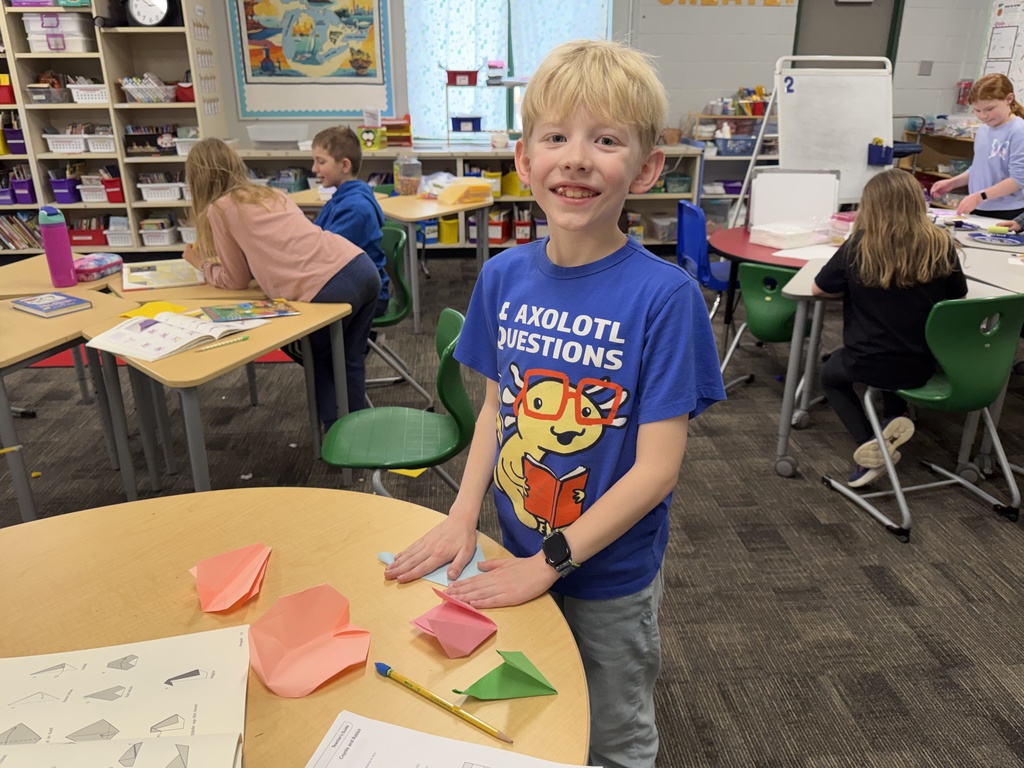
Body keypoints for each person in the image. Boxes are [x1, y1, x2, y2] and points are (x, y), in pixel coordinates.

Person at [382, 40, 725, 768]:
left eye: (606, 140)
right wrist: (462, 515)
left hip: (606, 572)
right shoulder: (504, 278)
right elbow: (495, 411)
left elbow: (656, 471)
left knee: (613, 730)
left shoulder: (665, 299)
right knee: (527, 699)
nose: (576, 159)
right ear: (525, 161)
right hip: (513, 550)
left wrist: (553, 561)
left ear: (647, 166)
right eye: (556, 138)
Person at [182, 137, 380, 427]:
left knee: (320, 359)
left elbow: (236, 280)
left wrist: (201, 264)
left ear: (198, 179)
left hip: (328, 285)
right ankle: (358, 434)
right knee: (349, 360)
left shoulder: (220, 209)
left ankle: (336, 433)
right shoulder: (271, 193)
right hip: (361, 267)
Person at [815, 169, 967, 488]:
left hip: (866, 359)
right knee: (896, 364)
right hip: (922, 362)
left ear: (870, 206)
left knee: (830, 377)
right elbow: (957, 294)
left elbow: (818, 288)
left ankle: (869, 443)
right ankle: (892, 418)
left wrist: (853, 287)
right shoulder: (940, 243)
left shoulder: (859, 246)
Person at [311, 126, 390, 318]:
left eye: (321, 162)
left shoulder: (355, 208)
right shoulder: (343, 198)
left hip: (367, 295)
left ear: (345, 166)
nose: (314, 169)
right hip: (353, 285)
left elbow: (325, 254)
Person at [930, 73, 1024, 219]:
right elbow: (978, 168)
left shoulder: (1018, 131)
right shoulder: (983, 129)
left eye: (990, 109)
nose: (984, 116)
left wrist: (980, 196)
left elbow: (1018, 180)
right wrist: (952, 183)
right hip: (980, 206)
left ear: (1009, 99)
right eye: (977, 111)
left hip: (1007, 211)